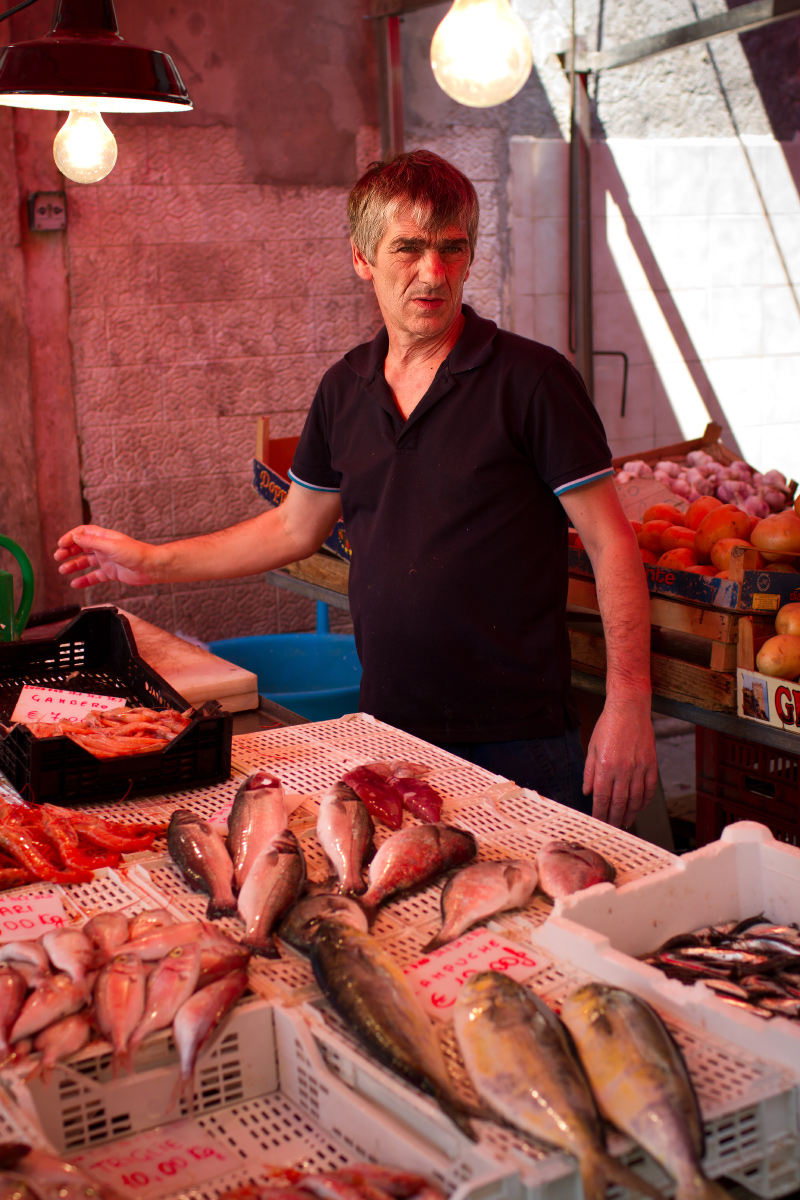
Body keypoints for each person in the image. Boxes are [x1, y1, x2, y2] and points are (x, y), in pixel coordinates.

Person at [55, 150, 657, 829]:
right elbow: (293, 528)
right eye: (408, 249)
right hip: (391, 732)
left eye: (451, 249)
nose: (433, 273)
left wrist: (628, 700)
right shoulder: (345, 388)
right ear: (362, 258)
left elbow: (611, 543)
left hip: (520, 737)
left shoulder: (531, 381)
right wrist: (153, 560)